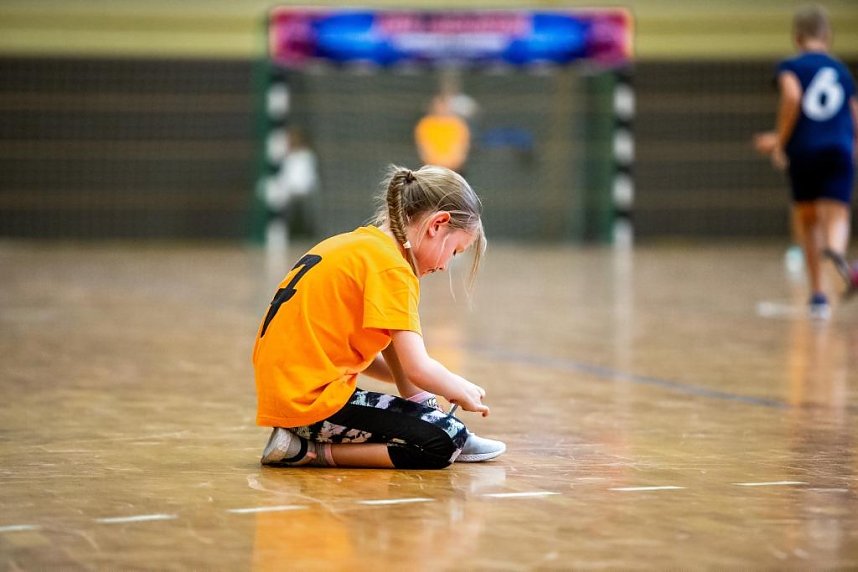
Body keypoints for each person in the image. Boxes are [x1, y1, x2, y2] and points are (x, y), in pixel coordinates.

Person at [253, 165, 506, 469]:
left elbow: (393, 357)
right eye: (454, 252)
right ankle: (306, 450)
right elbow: (417, 367)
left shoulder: (365, 247)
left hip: (288, 395)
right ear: (437, 225)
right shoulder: (393, 269)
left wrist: (425, 408)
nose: (444, 266)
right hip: (311, 406)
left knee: (437, 426)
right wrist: (458, 387)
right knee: (444, 441)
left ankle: (432, 423)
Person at [753, 4, 858, 319]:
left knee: (808, 220)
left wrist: (779, 143)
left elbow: (792, 98)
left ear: (797, 38)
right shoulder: (841, 70)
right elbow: (854, 114)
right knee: (837, 214)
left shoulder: (790, 66)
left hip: (804, 151)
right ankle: (839, 257)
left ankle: (818, 298)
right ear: (827, 36)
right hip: (839, 147)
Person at [414, 94, 471, 174]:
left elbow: (461, 147)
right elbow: (425, 147)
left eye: (444, 106)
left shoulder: (458, 124)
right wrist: (436, 163)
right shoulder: (426, 124)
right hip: (432, 168)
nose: (442, 109)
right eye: (439, 106)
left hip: (454, 169)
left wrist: (451, 163)